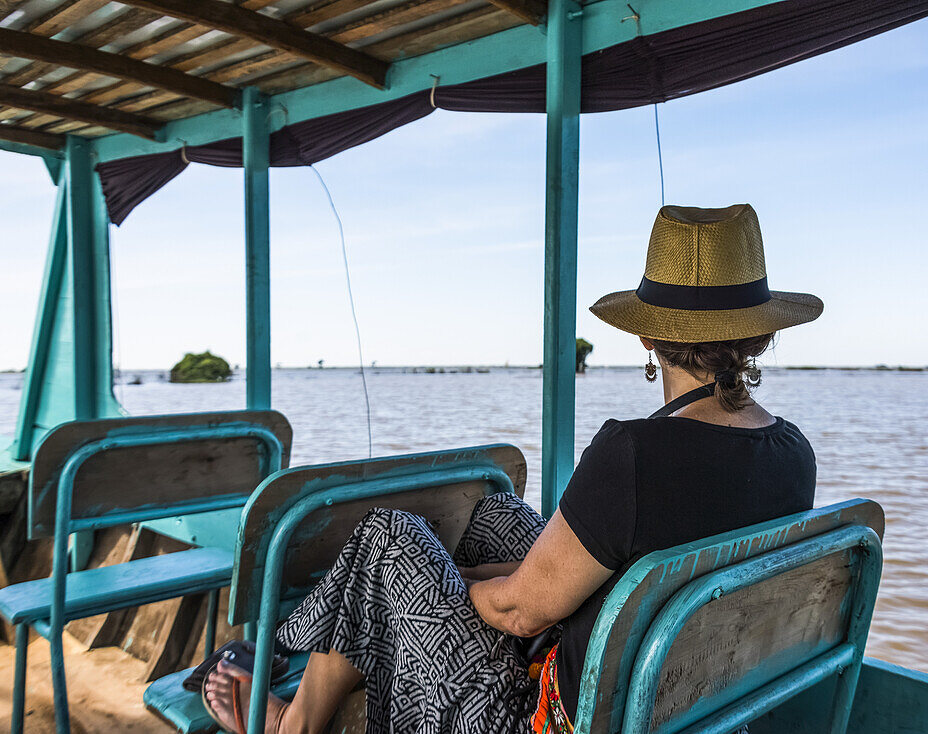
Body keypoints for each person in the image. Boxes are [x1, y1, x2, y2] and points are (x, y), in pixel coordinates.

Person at [203, 203, 823, 734]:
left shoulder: (632, 454)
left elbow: (520, 615)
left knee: (388, 543)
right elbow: (638, 563)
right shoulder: (794, 454)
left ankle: (293, 719)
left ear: (647, 340)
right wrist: (458, 579)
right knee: (495, 515)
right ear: (758, 338)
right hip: (682, 700)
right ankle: (339, 635)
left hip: (551, 718)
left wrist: (442, 587)